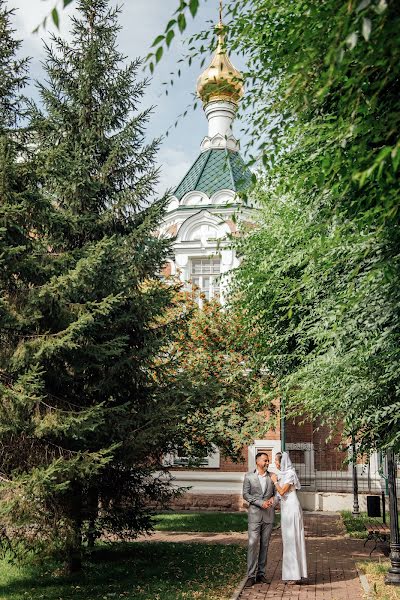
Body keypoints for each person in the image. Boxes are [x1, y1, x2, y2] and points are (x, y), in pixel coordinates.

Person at [242, 451, 278, 588]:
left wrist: (272, 502)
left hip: (268, 515)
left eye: (268, 461)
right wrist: (259, 502)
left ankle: (261, 574)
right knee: (252, 544)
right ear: (258, 462)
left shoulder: (272, 477)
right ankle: (250, 576)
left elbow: (276, 495)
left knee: (265, 545)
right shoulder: (249, 477)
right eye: (265, 460)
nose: (267, 463)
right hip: (255, 515)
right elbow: (245, 494)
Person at [271, 451, 307, 584]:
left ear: (282, 462)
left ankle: (295, 575)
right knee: (287, 540)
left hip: (292, 508)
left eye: (276, 461)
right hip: (286, 509)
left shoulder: (290, 474)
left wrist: (275, 482)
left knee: (293, 539)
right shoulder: (283, 474)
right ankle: (292, 573)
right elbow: (278, 496)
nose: (274, 463)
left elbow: (282, 491)